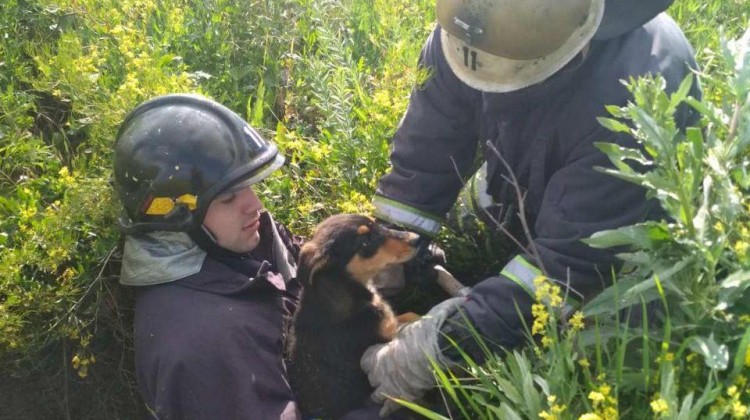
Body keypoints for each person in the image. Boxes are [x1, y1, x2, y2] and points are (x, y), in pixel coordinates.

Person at [361, 0, 701, 415]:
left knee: (596, 340)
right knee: (478, 211)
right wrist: (388, 248)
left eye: (508, 77)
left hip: (619, 226)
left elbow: (571, 263)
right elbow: (428, 144)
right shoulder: (472, 29)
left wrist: (444, 343)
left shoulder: (636, 97)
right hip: (528, 170)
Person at [113, 94, 303, 419]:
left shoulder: (235, 239)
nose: (255, 205)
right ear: (174, 216)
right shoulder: (206, 344)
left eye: (248, 186)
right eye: (228, 198)